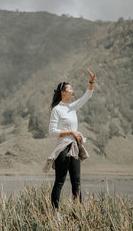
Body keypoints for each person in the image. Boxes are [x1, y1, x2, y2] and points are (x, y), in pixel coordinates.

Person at [43, 68, 95, 209]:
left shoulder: (72, 107)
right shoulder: (56, 109)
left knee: (76, 182)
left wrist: (91, 81)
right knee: (59, 182)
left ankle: (78, 211)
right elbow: (52, 131)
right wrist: (71, 132)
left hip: (75, 148)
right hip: (63, 149)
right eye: (70, 89)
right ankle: (55, 213)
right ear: (63, 92)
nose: (73, 91)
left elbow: (87, 95)